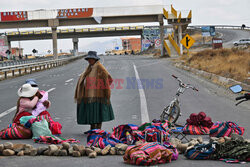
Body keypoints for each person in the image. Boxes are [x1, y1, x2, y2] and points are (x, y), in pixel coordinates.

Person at [74, 51, 114, 131]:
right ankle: (92, 128)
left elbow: (109, 78)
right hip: (89, 95)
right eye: (88, 59)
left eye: (90, 59)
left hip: (98, 95)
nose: (89, 60)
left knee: (98, 112)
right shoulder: (89, 67)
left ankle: (98, 128)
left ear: (94, 59)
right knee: (91, 112)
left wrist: (101, 88)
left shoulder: (99, 67)